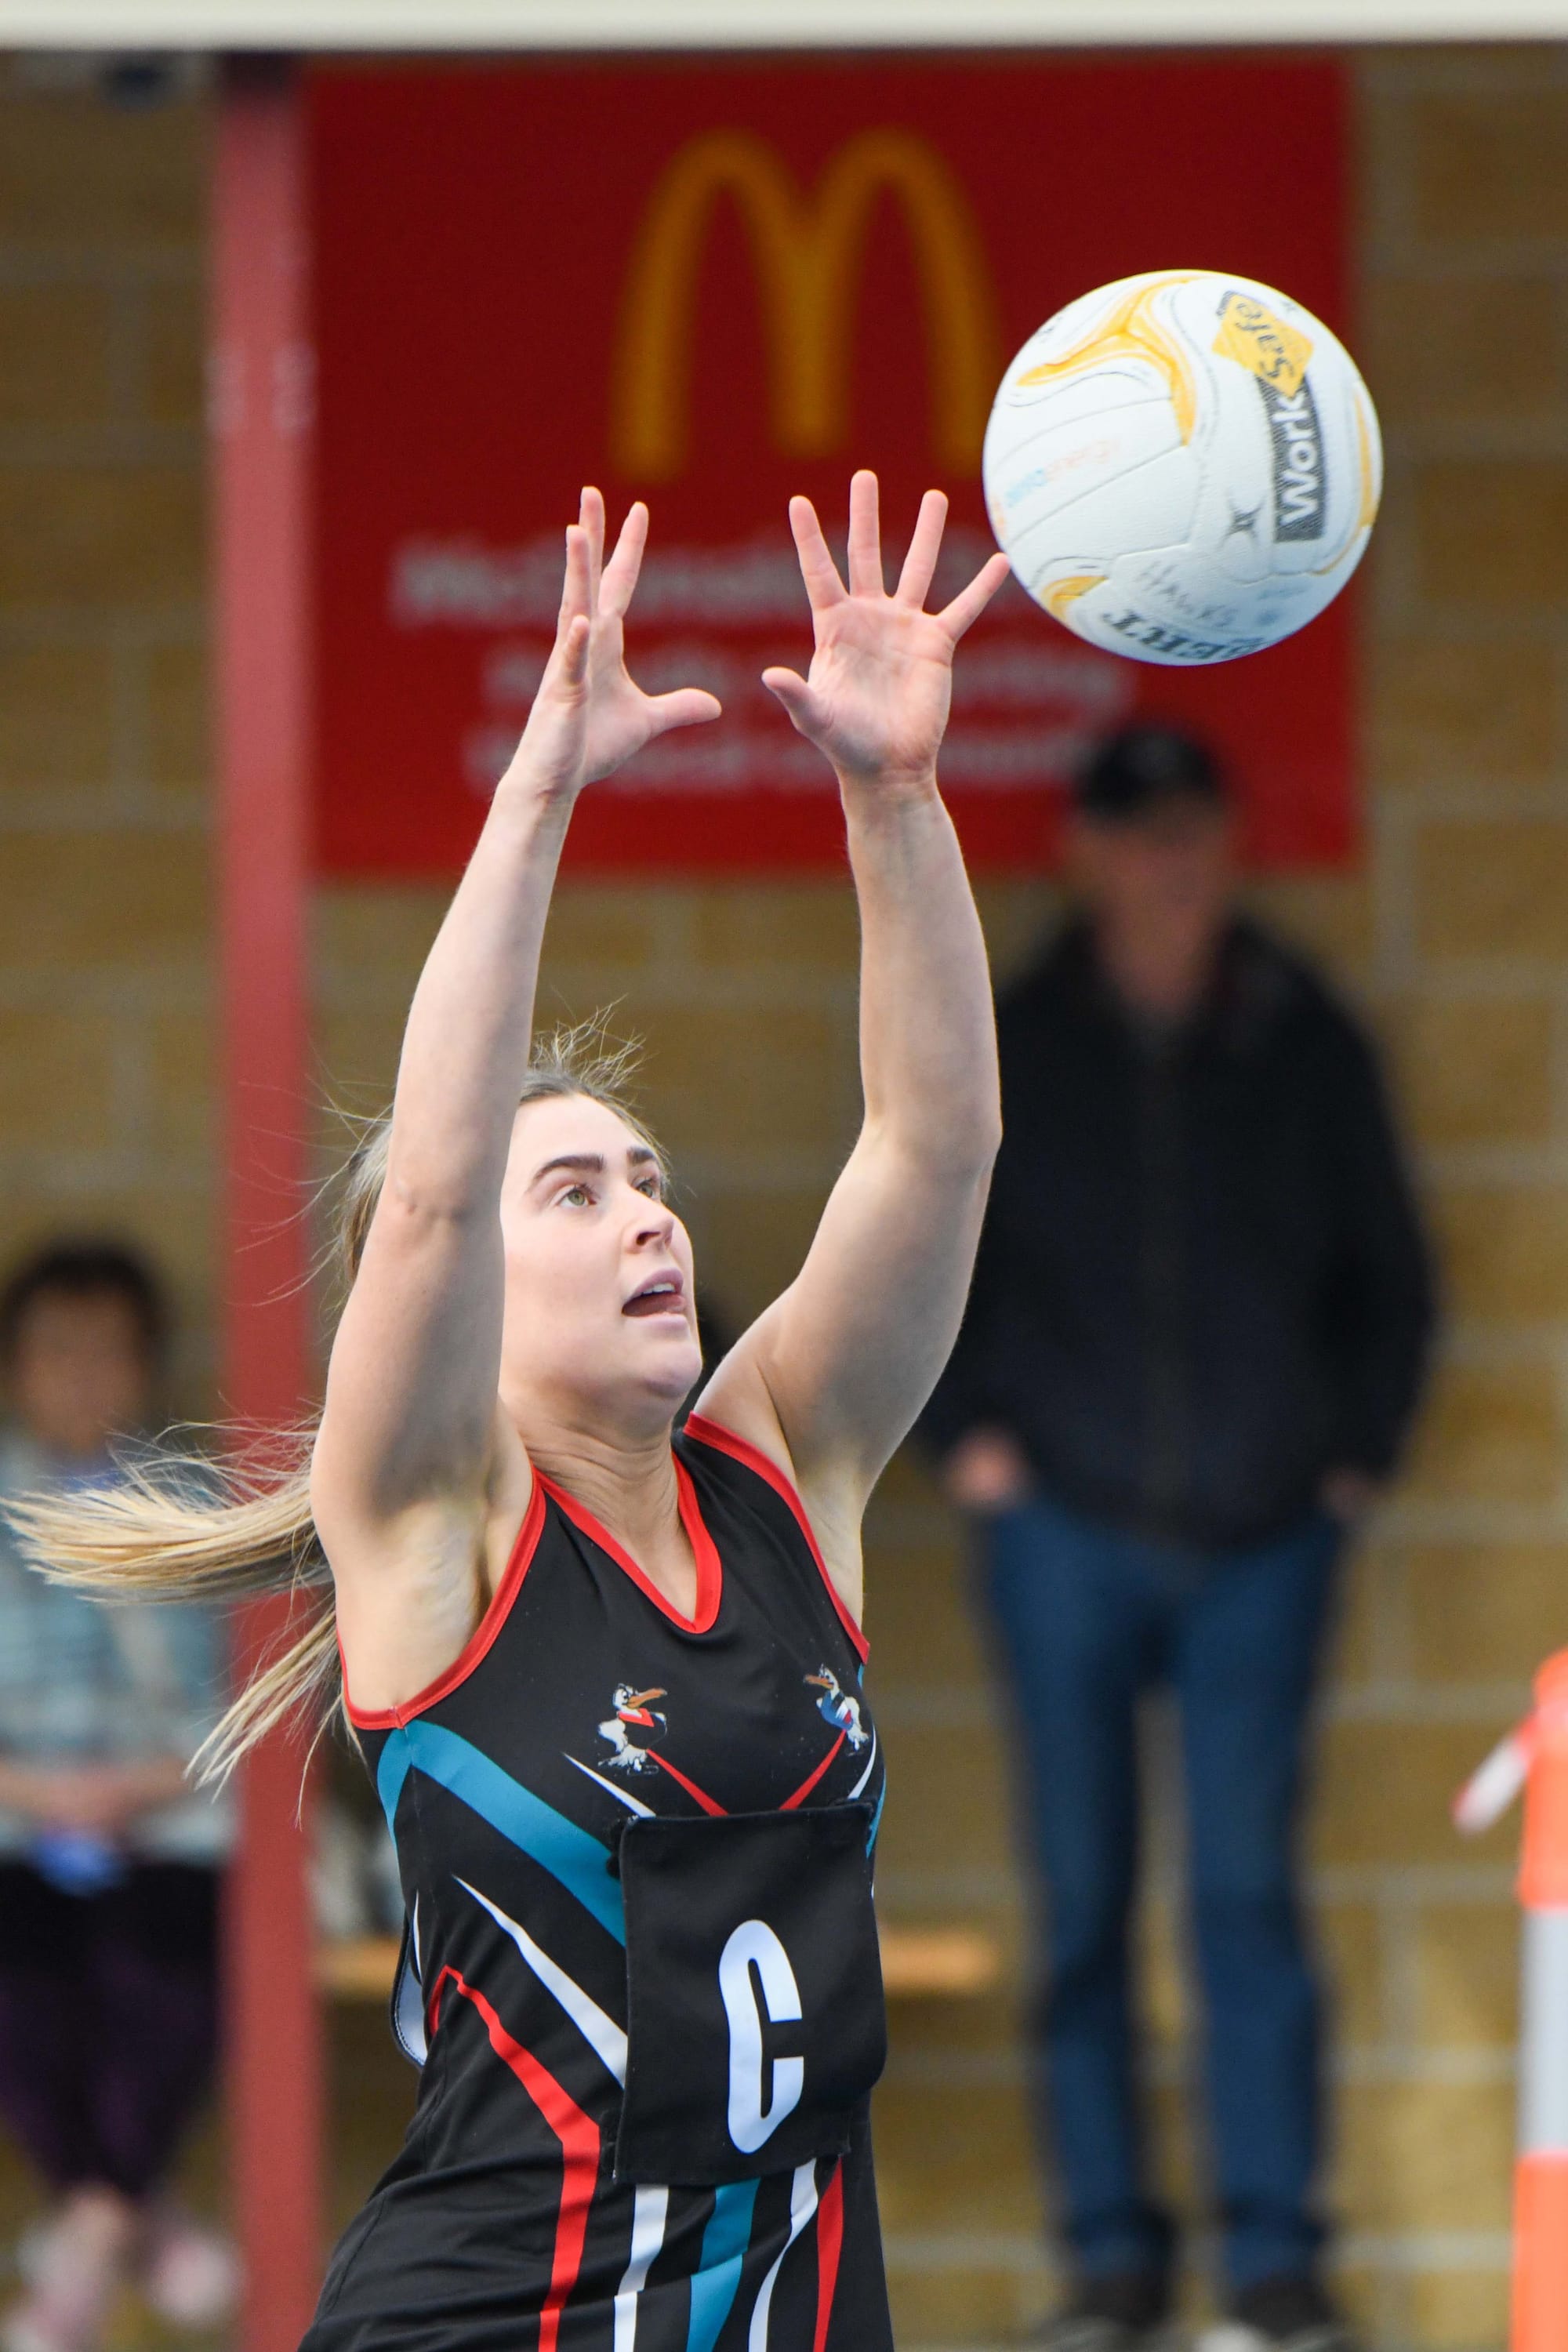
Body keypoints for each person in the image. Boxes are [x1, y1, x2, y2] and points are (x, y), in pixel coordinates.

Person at [13, 474, 1009, 2351]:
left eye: (651, 1177)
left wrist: (898, 797)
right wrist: (538, 795)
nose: (646, 1210)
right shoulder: (436, 1532)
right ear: (472, 1310)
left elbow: (937, 1147)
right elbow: (434, 1196)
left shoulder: (782, 1472)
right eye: (582, 1192)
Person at [923, 726, 1435, 2352]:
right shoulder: (1015, 1034)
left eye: (1189, 833)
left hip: (1264, 1537)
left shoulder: (1303, 1034)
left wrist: (1352, 1459)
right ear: (1082, 855)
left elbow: (1393, 1278)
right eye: (1135, 836)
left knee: (1242, 1901)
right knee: (1075, 1901)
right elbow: (929, 1243)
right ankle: (1110, 2266)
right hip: (1057, 1524)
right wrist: (969, 1444)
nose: (1166, 864)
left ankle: (1274, 2268)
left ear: (1224, 846)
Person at [0, 1243, 237, 2352]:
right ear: (14, 1369)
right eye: (56, 1352)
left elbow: (252, 1703)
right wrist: (38, 1790)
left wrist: (132, 1788)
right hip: (14, 1819)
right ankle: (136, 2220)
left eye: (110, 1354)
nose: (83, 1378)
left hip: (169, 1820)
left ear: (149, 1369)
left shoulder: (202, 1507)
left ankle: (85, 2243)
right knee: (23, 2001)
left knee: (170, 1975)